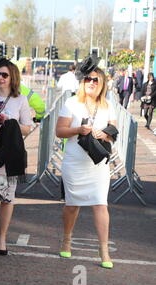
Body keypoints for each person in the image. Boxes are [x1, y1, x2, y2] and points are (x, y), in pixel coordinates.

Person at [56, 56, 117, 269]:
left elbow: (113, 132)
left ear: (102, 85)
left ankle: (104, 250)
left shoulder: (108, 106)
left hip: (98, 164)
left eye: (96, 80)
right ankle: (66, 238)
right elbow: (59, 131)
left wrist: (104, 135)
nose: (91, 83)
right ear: (82, 82)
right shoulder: (72, 103)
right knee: (72, 205)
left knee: (101, 204)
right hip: (74, 162)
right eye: (88, 79)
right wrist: (77, 130)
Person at [0, 58, 32, 255]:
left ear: (13, 77)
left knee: (7, 197)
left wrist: (10, 122)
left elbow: (27, 128)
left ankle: (2, 236)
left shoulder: (21, 100)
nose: (0, 78)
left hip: (10, 153)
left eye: (5, 75)